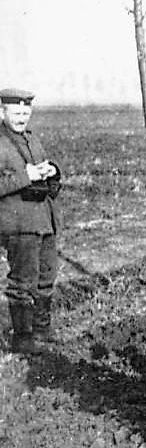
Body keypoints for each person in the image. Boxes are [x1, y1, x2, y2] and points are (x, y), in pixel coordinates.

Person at [0, 88, 62, 354]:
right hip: (18, 223)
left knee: (47, 276)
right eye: (16, 113)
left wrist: (52, 172)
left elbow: (46, 179)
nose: (21, 118)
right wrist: (27, 176)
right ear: (2, 111)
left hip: (44, 220)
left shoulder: (32, 140)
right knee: (22, 281)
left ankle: (42, 330)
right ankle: (23, 338)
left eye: (26, 113)